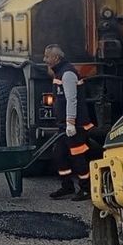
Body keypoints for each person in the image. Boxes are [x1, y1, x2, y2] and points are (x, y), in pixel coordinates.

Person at [45, 44, 94, 201]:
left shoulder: (68, 74)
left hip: (75, 125)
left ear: (56, 58)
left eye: (47, 57)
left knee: (77, 157)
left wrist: (71, 123)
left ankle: (86, 189)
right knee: (59, 154)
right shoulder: (59, 72)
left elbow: (72, 100)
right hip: (64, 125)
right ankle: (67, 186)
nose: (45, 60)